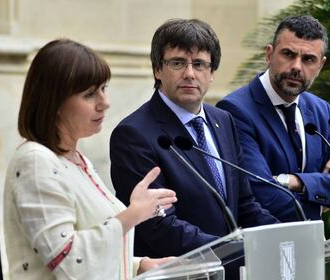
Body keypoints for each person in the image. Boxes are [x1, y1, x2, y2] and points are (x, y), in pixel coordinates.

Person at [110, 18, 278, 278]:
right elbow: (160, 227)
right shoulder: (134, 134)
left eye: (199, 64)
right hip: (181, 274)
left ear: (211, 73)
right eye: (177, 63)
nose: (189, 73)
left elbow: (244, 203)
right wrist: (240, 251)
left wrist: (285, 237)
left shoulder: (224, 121)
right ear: (157, 69)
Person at [3, 38, 177, 280]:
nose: (104, 103)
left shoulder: (77, 159)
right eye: (89, 94)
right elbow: (67, 260)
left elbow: (90, 241)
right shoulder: (35, 161)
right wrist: (133, 214)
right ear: (54, 102)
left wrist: (138, 265)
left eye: (103, 89)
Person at [217, 15, 330, 222]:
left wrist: (293, 181)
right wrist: (318, 202)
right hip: (261, 246)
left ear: (320, 66)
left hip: (311, 248)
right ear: (269, 54)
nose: (296, 66)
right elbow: (263, 196)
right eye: (288, 54)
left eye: (308, 59)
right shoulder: (235, 110)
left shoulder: (320, 110)